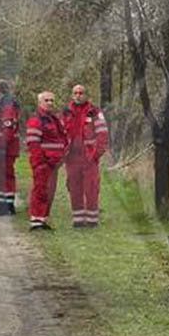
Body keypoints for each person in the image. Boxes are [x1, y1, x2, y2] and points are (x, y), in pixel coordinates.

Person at [62, 84, 109, 228]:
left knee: (91, 188)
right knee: (74, 188)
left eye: (81, 93)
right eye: (75, 93)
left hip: (89, 158)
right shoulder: (66, 112)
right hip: (72, 158)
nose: (78, 95)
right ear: (72, 95)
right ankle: (78, 220)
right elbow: (60, 134)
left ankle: (92, 221)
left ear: (86, 95)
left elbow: (102, 135)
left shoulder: (94, 112)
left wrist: (96, 155)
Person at [25, 91, 68, 231]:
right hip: (43, 162)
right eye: (46, 100)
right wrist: (40, 162)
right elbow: (33, 143)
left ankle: (43, 219)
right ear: (40, 103)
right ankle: (36, 220)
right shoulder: (36, 120)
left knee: (49, 191)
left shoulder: (53, 120)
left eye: (51, 100)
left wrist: (62, 156)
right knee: (40, 190)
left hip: (54, 163)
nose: (50, 103)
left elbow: (62, 139)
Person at [0, 79, 21, 215]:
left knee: (6, 175)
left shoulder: (7, 105)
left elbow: (7, 128)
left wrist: (2, 146)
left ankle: (8, 205)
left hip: (6, 148)